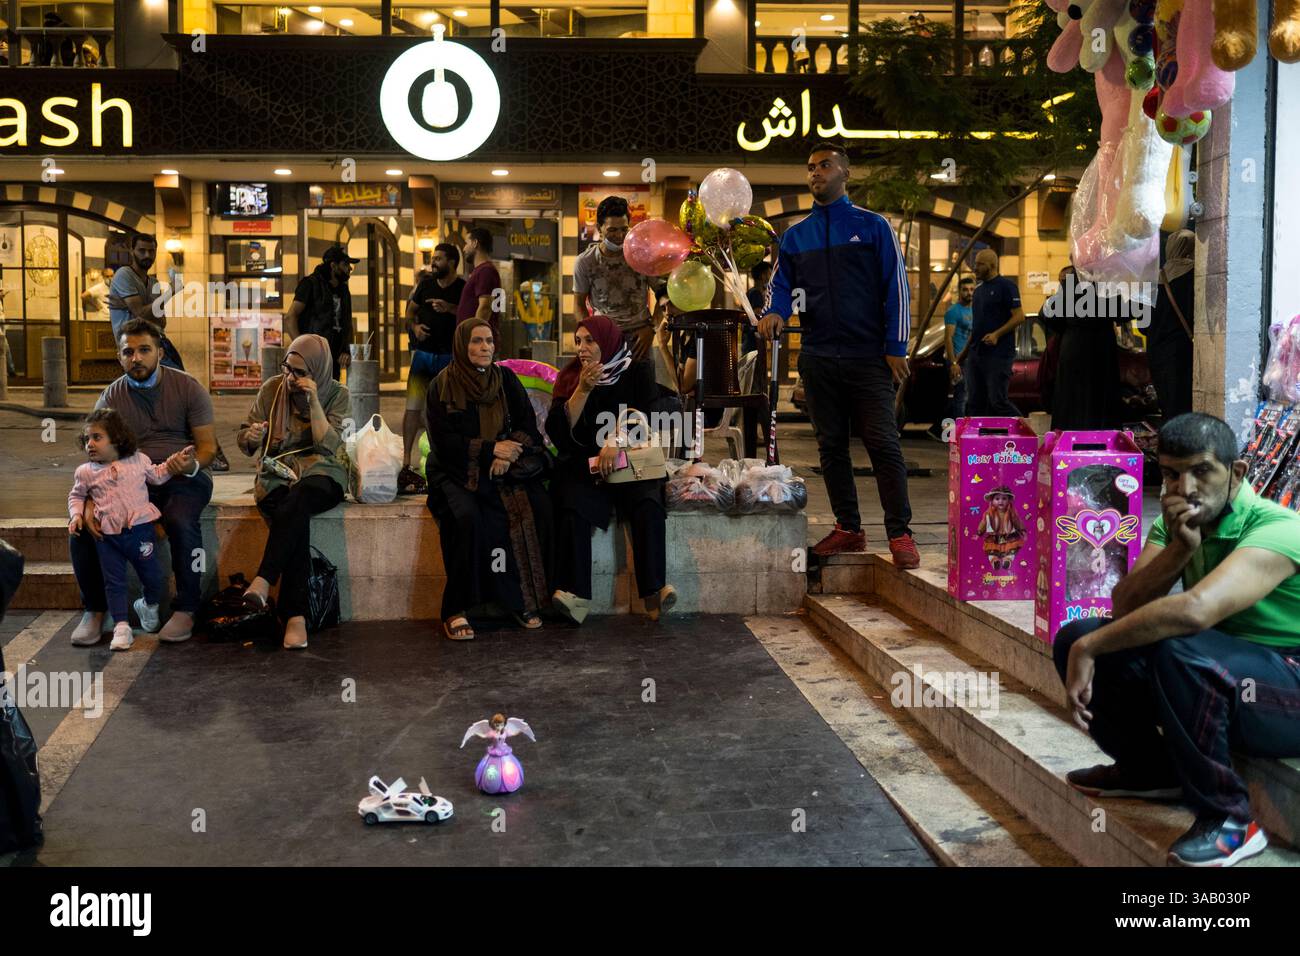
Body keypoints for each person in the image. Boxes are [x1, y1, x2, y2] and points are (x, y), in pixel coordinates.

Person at [1054, 412, 1300, 867]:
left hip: (1287, 683)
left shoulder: (1278, 528)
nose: (1185, 488)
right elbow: (1123, 606)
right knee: (1077, 633)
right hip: (1225, 665)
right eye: (1171, 473)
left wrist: (1092, 649)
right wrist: (1179, 551)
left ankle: (1228, 821)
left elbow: (1196, 610)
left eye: (1202, 470)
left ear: (1237, 473)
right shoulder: (1174, 527)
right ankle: (1151, 770)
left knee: (1168, 644)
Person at [758, 142, 919, 567]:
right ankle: (849, 528)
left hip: (869, 358)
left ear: (846, 172)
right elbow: (780, 287)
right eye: (810, 167)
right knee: (830, 448)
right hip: (818, 356)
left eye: (825, 165)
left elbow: (896, 288)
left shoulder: (873, 227)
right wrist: (773, 313)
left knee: (883, 444)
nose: (816, 173)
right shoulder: (795, 236)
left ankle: (900, 533)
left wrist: (895, 347)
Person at [70, 319, 218, 646]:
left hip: (182, 476)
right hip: (129, 479)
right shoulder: (111, 397)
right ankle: (95, 610)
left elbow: (209, 447)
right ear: (120, 357)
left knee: (180, 518)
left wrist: (190, 463)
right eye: (128, 352)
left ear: (160, 352)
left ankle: (187, 608)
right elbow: (94, 455)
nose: (136, 358)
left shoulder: (188, 387)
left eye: (144, 350)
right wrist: (91, 502)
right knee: (81, 525)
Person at [425, 321, 554, 640]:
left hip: (500, 467)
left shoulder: (505, 380)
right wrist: (488, 450)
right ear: (461, 346)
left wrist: (505, 454)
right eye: (476, 341)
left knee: (531, 507)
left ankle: (518, 601)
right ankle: (455, 608)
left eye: (489, 341)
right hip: (453, 471)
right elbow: (445, 443)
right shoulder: (441, 386)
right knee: (467, 518)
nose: (485, 348)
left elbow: (528, 426)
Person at [546, 315, 675, 624]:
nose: (583, 348)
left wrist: (617, 439)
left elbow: (651, 415)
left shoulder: (636, 372)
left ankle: (654, 592)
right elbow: (560, 435)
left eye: (590, 340)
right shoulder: (571, 377)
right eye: (578, 341)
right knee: (572, 502)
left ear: (608, 341)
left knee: (648, 499)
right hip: (585, 466)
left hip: (629, 463)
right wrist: (583, 390)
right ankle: (575, 597)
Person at [236, 335, 350, 650]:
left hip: (323, 471)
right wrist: (253, 435)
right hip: (278, 473)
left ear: (318, 371)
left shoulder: (338, 395)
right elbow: (244, 444)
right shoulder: (272, 389)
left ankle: (264, 581)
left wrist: (314, 402)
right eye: (288, 368)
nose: (291, 378)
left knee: (298, 499)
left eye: (301, 372)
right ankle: (295, 616)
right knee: (293, 513)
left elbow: (330, 446)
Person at [67, 409, 194, 651]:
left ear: (116, 438)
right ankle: (121, 626)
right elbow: (76, 496)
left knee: (153, 577)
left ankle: (148, 604)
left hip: (139, 533)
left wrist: (176, 462)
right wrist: (75, 515)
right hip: (107, 537)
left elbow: (157, 476)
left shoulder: (138, 460)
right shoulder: (85, 472)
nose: (90, 444)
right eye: (86, 439)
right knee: (114, 582)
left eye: (97, 437)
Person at [108, 236, 229, 470]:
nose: (146, 256)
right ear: (132, 250)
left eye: (151, 251)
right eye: (141, 250)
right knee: (172, 391)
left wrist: (153, 306)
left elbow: (160, 319)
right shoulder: (124, 275)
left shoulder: (150, 280)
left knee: (182, 388)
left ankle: (206, 450)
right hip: (134, 346)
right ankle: (208, 451)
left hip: (158, 343)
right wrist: (171, 292)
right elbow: (143, 313)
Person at [399, 243, 466, 495]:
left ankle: (442, 460)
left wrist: (449, 309)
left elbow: (470, 317)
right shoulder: (425, 285)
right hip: (423, 357)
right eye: (433, 258)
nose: (433, 262)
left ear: (452, 262)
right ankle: (406, 460)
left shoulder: (462, 288)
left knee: (448, 410)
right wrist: (414, 328)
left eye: (438, 258)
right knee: (413, 407)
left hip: (449, 359)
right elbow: (409, 313)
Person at [573, 196, 665, 363]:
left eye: (624, 229)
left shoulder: (641, 256)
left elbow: (664, 295)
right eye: (612, 230)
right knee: (606, 389)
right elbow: (579, 304)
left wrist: (651, 329)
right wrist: (590, 337)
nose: (620, 235)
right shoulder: (585, 262)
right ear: (599, 229)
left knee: (641, 388)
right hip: (604, 339)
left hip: (639, 339)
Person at [1043, 265, 1127, 431]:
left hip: (1074, 347)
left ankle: (1071, 446)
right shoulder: (1107, 282)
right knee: (1101, 401)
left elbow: (1048, 314)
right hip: (1101, 349)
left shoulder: (1070, 283)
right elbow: (1124, 311)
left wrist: (1068, 328)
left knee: (1072, 401)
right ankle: (1101, 445)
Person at [956, 248, 1025, 418]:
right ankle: (979, 442)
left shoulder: (1007, 287)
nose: (975, 267)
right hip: (976, 356)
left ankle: (1026, 432)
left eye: (980, 264)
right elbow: (976, 328)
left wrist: (996, 334)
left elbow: (1019, 317)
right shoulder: (978, 291)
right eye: (975, 263)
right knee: (974, 402)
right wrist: (961, 358)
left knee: (997, 401)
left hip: (999, 355)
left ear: (992, 265)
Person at [285, 244, 357, 381]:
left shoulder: (344, 291)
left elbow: (348, 323)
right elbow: (290, 317)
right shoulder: (310, 284)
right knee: (311, 396)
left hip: (334, 355)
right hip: (313, 356)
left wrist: (347, 350)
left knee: (330, 395)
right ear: (333, 266)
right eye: (345, 264)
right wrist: (302, 350)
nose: (349, 268)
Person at [1150, 229, 1195, 421]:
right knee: (1184, 406)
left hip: (1156, 351)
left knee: (1167, 406)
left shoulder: (1155, 280)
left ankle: (1169, 445)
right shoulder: (1195, 276)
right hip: (1182, 351)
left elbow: (1144, 326)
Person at [934, 275, 974, 439]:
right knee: (961, 398)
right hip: (958, 360)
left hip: (971, 361)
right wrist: (953, 362)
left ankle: (939, 429)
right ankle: (958, 436)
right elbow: (948, 338)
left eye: (972, 289)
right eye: (965, 290)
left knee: (965, 397)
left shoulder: (975, 309)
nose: (969, 293)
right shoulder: (953, 312)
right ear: (959, 291)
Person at [456, 228, 503, 340]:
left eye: (466, 243)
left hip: (477, 343)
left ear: (475, 243)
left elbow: (485, 307)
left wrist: (474, 337)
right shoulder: (482, 270)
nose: (464, 248)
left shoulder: (485, 271)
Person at [743, 260, 772, 357]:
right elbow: (758, 315)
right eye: (769, 273)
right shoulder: (756, 293)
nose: (771, 277)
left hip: (749, 338)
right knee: (757, 368)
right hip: (753, 339)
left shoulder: (751, 291)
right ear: (763, 276)